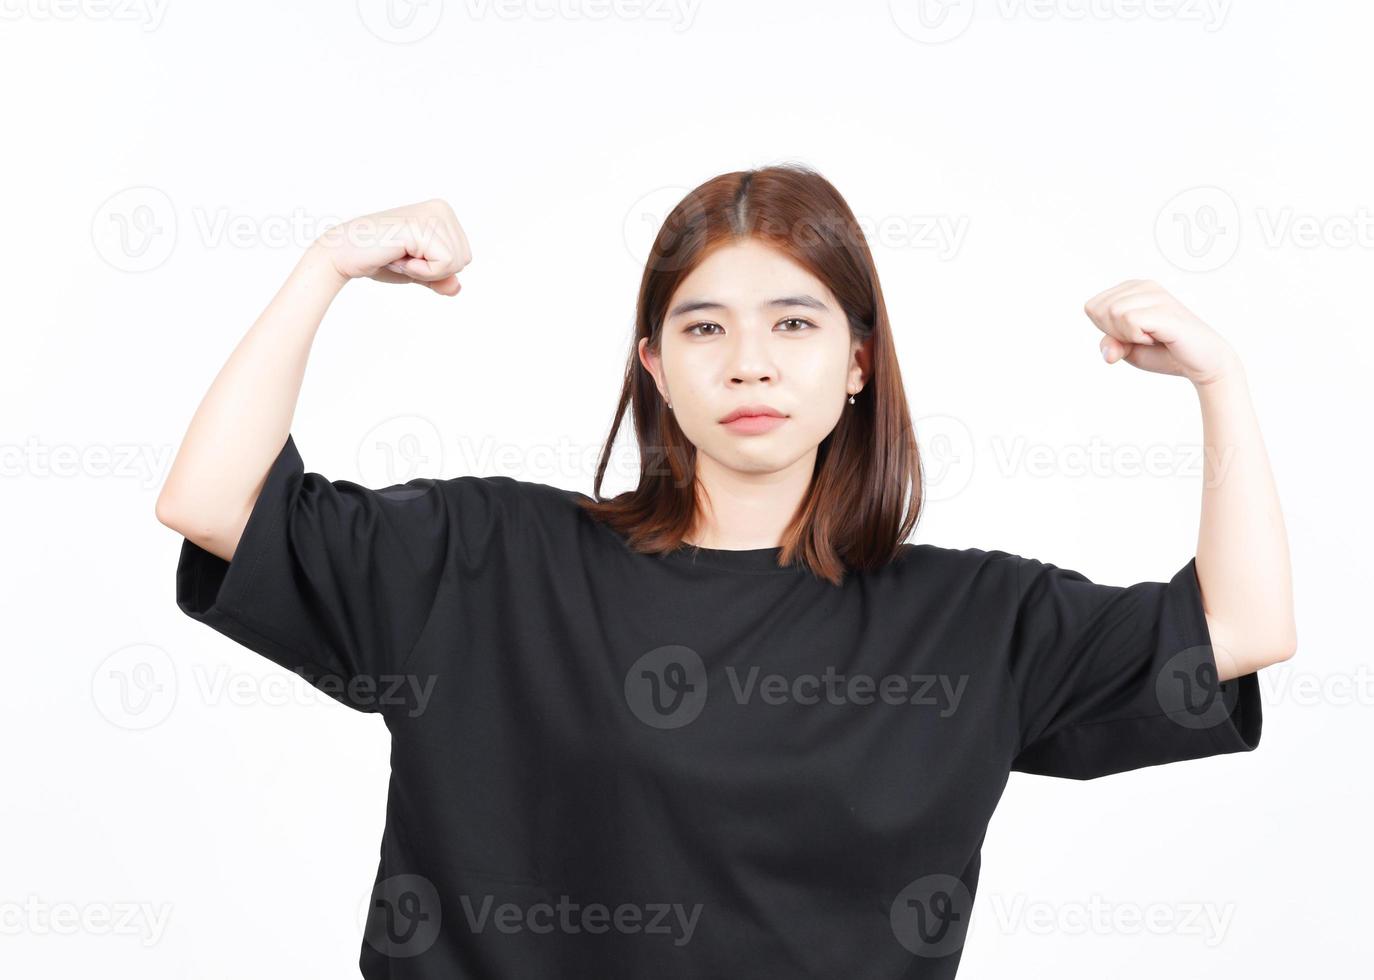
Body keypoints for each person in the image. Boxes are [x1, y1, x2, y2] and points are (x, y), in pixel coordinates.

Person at [155, 165, 1296, 979]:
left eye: (794, 323)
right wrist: (328, 265)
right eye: (703, 328)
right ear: (652, 364)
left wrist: (1220, 381)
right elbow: (211, 503)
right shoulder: (490, 560)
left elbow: (1243, 626)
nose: (749, 359)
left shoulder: (973, 620)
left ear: (857, 362)